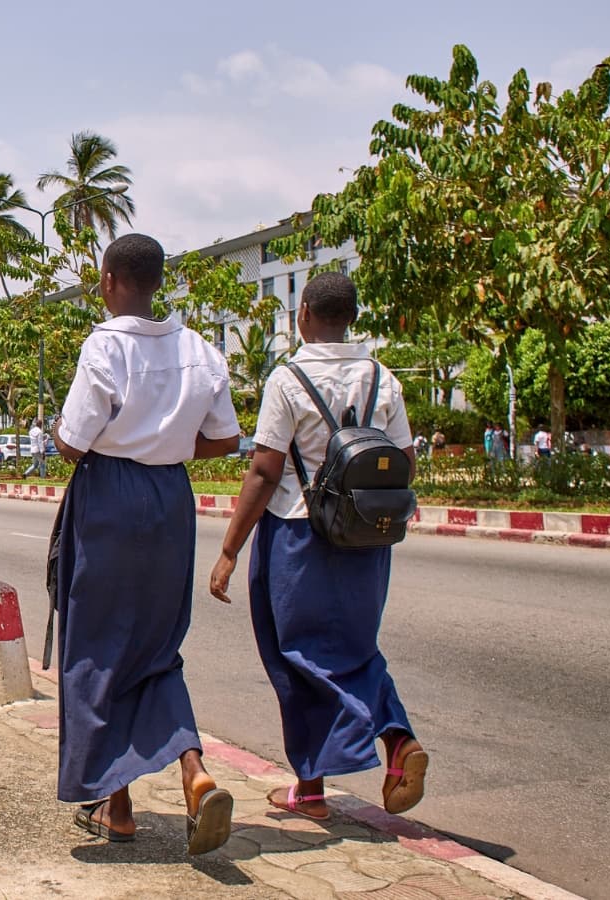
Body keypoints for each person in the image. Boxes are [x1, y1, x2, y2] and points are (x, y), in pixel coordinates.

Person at [208, 272, 427, 823]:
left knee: (295, 654)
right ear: (351, 317)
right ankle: (392, 744)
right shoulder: (383, 378)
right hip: (365, 536)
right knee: (352, 647)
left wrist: (231, 548)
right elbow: (404, 462)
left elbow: (263, 469)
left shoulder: (288, 380)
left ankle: (319, 782)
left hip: (298, 533)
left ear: (302, 313)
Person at [48, 233, 242, 852]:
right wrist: (168, 441)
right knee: (157, 647)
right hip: (169, 501)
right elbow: (225, 439)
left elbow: (74, 442)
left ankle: (119, 807)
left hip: (108, 497)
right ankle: (193, 771)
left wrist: (100, 437)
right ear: (159, 284)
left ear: (107, 280)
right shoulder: (199, 349)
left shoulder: (105, 346)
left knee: (99, 646)